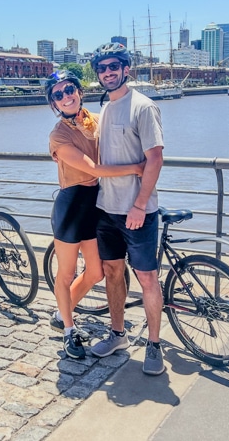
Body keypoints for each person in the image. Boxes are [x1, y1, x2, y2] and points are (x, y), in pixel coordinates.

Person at [45, 71, 145, 359]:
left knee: (96, 271)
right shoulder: (59, 134)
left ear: (79, 91)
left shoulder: (96, 120)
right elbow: (95, 168)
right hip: (71, 206)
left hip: (96, 202)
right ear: (54, 103)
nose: (66, 96)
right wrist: (136, 168)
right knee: (66, 273)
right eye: (58, 94)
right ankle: (68, 329)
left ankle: (62, 311)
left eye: (69, 90)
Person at [87, 42, 166, 375]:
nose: (108, 72)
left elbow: (156, 158)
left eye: (114, 66)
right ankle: (117, 333)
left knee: (147, 277)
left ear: (126, 69)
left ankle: (154, 345)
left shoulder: (142, 107)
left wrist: (139, 204)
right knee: (112, 272)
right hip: (106, 209)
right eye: (102, 68)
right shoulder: (105, 109)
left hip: (138, 213)